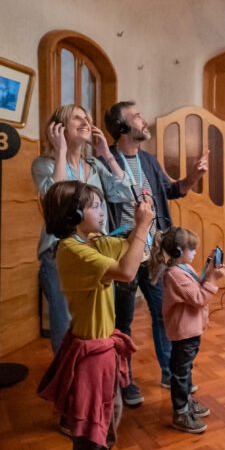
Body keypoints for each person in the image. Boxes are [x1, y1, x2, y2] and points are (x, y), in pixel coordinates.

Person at [38, 180, 153, 450]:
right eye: (95, 206)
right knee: (93, 426)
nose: (102, 212)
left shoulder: (91, 242)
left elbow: (134, 254)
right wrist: (141, 228)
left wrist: (140, 232)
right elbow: (127, 272)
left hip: (102, 346)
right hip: (90, 352)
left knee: (110, 412)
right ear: (74, 213)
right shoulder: (72, 250)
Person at [102, 101, 208, 406]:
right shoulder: (105, 159)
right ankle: (125, 382)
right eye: (136, 116)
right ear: (122, 127)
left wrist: (193, 176)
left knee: (164, 314)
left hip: (156, 255)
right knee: (122, 323)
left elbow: (173, 190)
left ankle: (169, 372)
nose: (143, 119)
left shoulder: (147, 160)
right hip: (124, 252)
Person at [32, 104, 135, 353]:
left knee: (97, 318)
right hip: (59, 253)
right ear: (58, 128)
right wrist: (61, 152)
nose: (86, 121)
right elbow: (56, 200)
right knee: (67, 323)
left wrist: (106, 154)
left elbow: (125, 191)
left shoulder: (95, 165)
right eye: (77, 118)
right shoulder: (43, 164)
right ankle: (68, 380)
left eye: (87, 117)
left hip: (96, 249)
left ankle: (92, 373)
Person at [156, 227, 225, 434]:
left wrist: (207, 270)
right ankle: (180, 412)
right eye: (192, 249)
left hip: (191, 331)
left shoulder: (183, 268)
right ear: (178, 251)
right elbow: (198, 298)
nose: (195, 252)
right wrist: (213, 280)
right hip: (184, 332)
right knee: (180, 372)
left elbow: (196, 284)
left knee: (185, 369)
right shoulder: (174, 275)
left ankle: (186, 401)